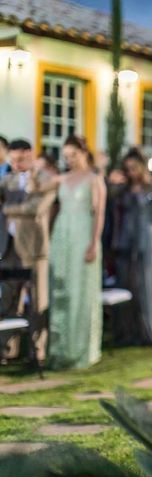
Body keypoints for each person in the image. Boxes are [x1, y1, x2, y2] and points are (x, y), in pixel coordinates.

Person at [47, 135, 106, 369]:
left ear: (84, 152)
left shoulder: (94, 179)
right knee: (61, 290)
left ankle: (82, 350)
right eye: (66, 156)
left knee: (80, 292)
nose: (70, 160)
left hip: (83, 236)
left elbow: (99, 213)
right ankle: (60, 349)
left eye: (73, 155)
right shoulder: (61, 178)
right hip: (61, 236)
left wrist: (94, 243)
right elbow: (37, 188)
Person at [110, 148, 152, 346]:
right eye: (127, 169)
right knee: (126, 281)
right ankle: (127, 331)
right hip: (125, 239)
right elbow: (110, 202)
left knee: (145, 283)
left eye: (134, 168)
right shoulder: (124, 187)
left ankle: (150, 330)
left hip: (147, 237)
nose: (131, 173)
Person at [0, 139, 56, 362]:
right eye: (12, 160)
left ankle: (37, 352)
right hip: (9, 247)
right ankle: (7, 350)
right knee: (8, 297)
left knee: (37, 300)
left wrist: (8, 208)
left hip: (34, 249)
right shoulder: (8, 179)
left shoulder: (46, 179)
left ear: (30, 154)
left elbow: (36, 208)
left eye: (20, 159)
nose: (16, 164)